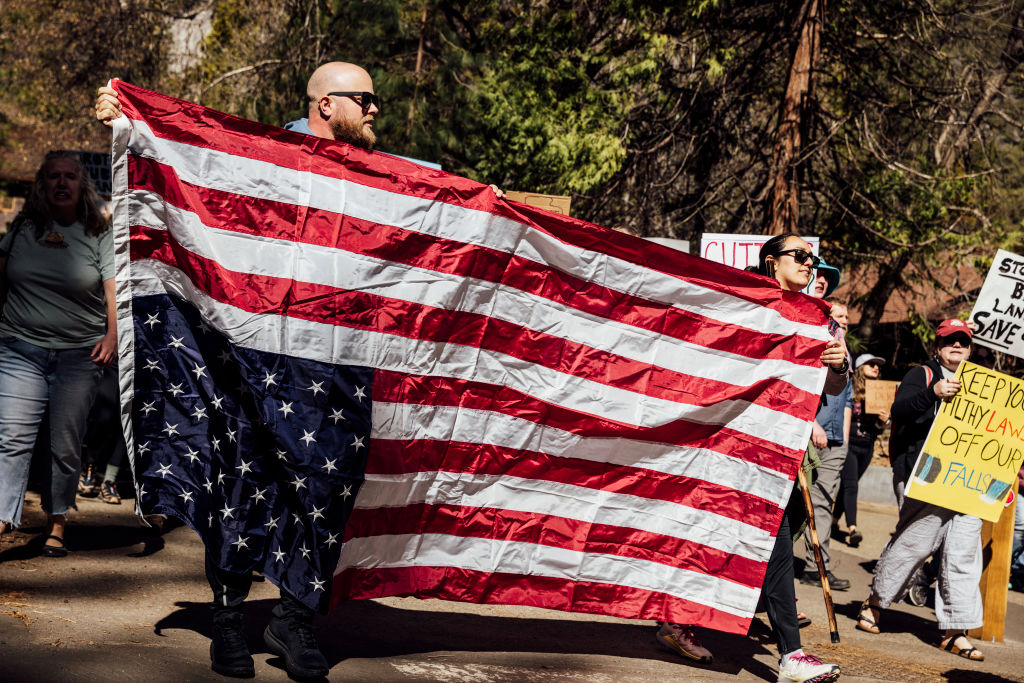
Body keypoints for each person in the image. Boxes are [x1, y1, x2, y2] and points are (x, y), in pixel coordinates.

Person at [96, 61, 386, 679]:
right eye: (366, 99)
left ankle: (294, 618)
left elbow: (449, 205)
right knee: (242, 478)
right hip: (252, 357)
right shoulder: (253, 159)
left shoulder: (380, 177)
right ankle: (228, 617)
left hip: (336, 365)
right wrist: (129, 118)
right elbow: (187, 160)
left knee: (324, 488)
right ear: (326, 105)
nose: (375, 110)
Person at [658, 233, 844, 683]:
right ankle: (678, 620)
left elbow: (834, 389)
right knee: (714, 532)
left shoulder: (819, 319)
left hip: (773, 452)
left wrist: (836, 364)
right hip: (724, 445)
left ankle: (789, 655)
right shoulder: (742, 300)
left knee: (772, 542)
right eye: (798, 256)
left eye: (812, 258)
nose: (808, 263)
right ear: (770, 261)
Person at [0, 150, 116, 556]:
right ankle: (2, 519)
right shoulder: (22, 229)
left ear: (81, 184)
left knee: (65, 445)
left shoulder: (98, 231)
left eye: (70, 176)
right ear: (42, 184)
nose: (61, 183)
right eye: (53, 177)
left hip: (78, 356)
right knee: (12, 437)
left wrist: (113, 333)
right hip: (19, 348)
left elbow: (112, 287)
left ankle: (57, 522)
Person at [856, 319, 986, 661]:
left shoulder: (982, 384)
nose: (957, 346)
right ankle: (875, 604)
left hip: (969, 484)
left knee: (963, 555)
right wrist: (933, 393)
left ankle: (956, 631)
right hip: (925, 477)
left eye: (964, 341)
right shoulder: (922, 374)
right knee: (914, 543)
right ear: (937, 347)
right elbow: (899, 410)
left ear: (971, 348)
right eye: (950, 341)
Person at [833, 353, 889, 547]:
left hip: (868, 446)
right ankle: (853, 528)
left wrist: (884, 421)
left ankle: (833, 522)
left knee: (850, 484)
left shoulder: (881, 393)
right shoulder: (848, 388)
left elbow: (880, 428)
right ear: (859, 367)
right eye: (871, 364)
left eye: (878, 365)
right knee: (851, 486)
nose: (876, 367)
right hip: (850, 444)